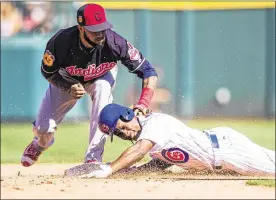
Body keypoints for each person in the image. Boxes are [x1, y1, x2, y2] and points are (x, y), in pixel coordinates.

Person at [21, 3, 158, 167]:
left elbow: (148, 72)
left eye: (103, 28)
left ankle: (93, 156)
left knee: (102, 89)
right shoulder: (61, 42)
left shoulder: (115, 42)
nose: (100, 33)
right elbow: (48, 71)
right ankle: (40, 144)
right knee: (43, 127)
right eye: (94, 30)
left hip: (101, 77)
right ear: (81, 28)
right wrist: (67, 86)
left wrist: (143, 103)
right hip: (67, 78)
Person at [78, 103, 275, 178]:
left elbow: (139, 150)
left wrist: (111, 168)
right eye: (117, 134)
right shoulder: (152, 137)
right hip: (220, 154)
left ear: (127, 114)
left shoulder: (153, 123)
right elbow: (163, 160)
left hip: (226, 150)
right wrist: (132, 172)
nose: (124, 133)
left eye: (121, 127)